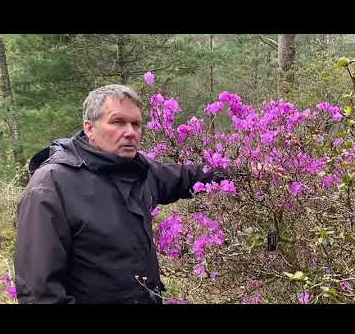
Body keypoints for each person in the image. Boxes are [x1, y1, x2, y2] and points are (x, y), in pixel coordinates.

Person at [14, 84, 225, 304]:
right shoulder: (52, 185)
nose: (130, 132)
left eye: (136, 124)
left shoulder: (138, 170)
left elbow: (186, 177)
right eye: (118, 122)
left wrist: (245, 171)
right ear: (89, 128)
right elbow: (39, 292)